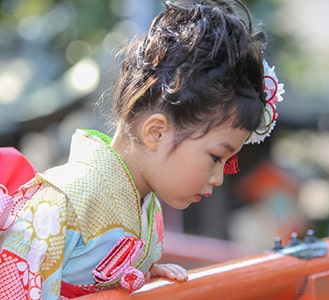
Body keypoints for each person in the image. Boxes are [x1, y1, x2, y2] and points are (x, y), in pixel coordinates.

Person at [0, 0, 284, 299]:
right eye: (216, 157)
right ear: (156, 132)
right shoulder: (62, 202)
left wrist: (143, 277)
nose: (218, 177)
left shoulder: (147, 208)